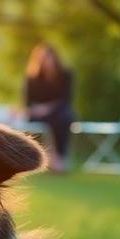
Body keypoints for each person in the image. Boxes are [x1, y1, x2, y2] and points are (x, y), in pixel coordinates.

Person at [23, 43, 74, 172]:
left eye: (50, 57)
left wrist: (47, 108)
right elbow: (28, 103)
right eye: (44, 58)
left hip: (58, 113)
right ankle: (54, 159)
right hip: (37, 115)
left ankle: (57, 157)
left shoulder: (66, 76)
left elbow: (66, 99)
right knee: (55, 119)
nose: (47, 61)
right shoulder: (32, 78)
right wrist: (38, 110)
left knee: (64, 117)